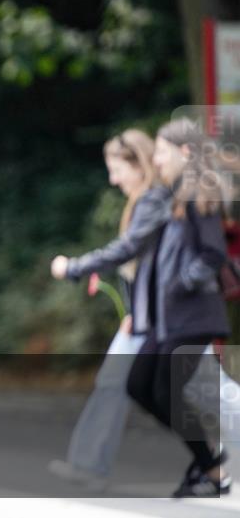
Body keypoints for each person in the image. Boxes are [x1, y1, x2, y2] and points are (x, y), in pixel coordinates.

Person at [49, 129, 165, 489]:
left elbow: (127, 250)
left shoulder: (155, 201)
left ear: (139, 163)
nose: (114, 180)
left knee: (204, 393)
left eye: (118, 170)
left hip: (167, 319)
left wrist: (74, 267)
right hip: (145, 318)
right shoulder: (146, 201)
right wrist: (134, 310)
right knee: (112, 384)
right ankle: (88, 466)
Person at [124, 118, 232, 497]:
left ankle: (212, 470)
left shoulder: (200, 192)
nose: (155, 158)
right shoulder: (172, 195)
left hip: (192, 315)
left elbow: (213, 252)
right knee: (139, 384)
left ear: (184, 152)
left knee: (167, 390)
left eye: (161, 151)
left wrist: (180, 283)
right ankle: (207, 463)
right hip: (168, 318)